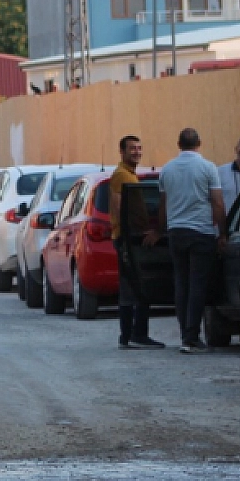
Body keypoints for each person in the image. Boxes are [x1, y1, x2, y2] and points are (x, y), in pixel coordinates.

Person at [156, 127, 224, 352]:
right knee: (197, 284)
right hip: (201, 232)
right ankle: (191, 337)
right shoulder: (207, 168)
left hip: (176, 232)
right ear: (199, 143)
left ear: (178, 144)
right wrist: (222, 232)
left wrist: (161, 230)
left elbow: (163, 205)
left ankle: (185, 331)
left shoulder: (167, 169)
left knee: (181, 283)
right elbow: (217, 202)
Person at [107, 135, 164, 349]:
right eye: (132, 148)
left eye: (139, 148)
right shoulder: (122, 175)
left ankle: (134, 334)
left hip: (132, 237)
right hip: (127, 239)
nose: (137, 152)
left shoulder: (130, 175)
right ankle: (132, 335)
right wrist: (131, 235)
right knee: (133, 286)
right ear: (121, 152)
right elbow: (119, 207)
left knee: (137, 286)